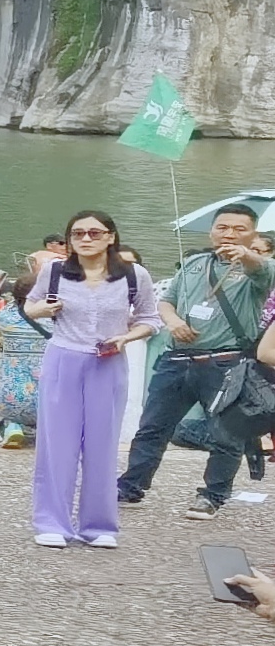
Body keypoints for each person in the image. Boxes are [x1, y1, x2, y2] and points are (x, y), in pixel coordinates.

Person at [120, 201, 272, 515]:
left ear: (253, 234)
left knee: (226, 434)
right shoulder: (194, 263)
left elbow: (259, 268)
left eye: (239, 229)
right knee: (152, 427)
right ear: (211, 231)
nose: (229, 234)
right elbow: (167, 302)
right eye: (222, 227)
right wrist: (173, 321)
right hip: (176, 359)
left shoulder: (259, 269)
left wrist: (246, 255)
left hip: (226, 362)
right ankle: (130, 486)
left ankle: (213, 496)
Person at [22, 211, 157, 548]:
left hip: (108, 361)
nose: (85, 239)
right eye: (78, 233)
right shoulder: (55, 271)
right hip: (63, 357)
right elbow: (30, 306)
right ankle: (52, 522)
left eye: (94, 233)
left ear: (110, 237)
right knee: (57, 444)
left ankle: (99, 526)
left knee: (102, 444)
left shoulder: (133, 275)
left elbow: (150, 319)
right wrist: (43, 310)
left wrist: (126, 337)